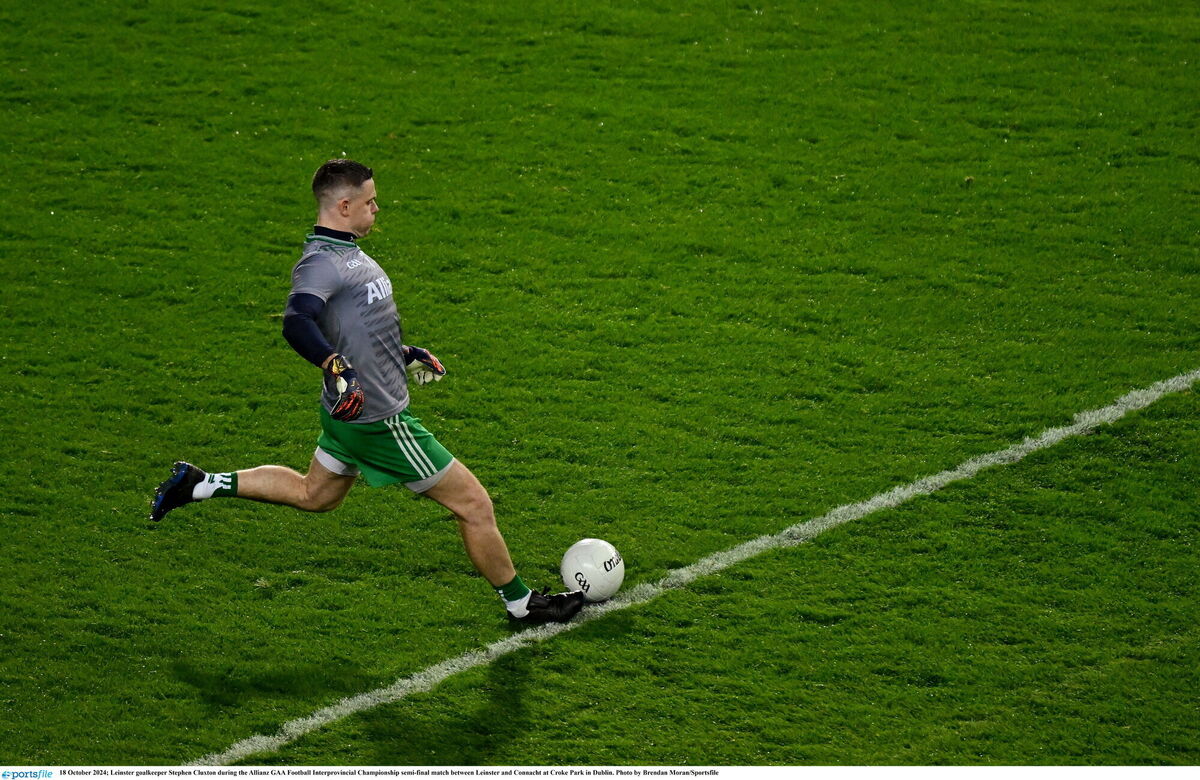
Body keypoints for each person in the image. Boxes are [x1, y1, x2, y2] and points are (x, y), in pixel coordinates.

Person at [150, 158, 585, 625]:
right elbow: (297, 321)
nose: (377, 208)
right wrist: (332, 363)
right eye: (370, 201)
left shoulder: (347, 251)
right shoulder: (321, 263)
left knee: (315, 494)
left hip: (345, 412)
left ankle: (200, 484)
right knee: (474, 504)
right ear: (343, 205)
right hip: (378, 420)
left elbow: (355, 327)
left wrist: (403, 352)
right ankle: (523, 605)